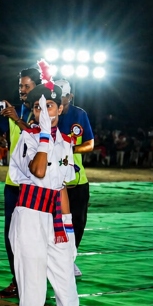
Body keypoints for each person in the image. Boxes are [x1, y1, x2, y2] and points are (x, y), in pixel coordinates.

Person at [7, 69, 107, 306]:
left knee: (68, 294)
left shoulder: (65, 144)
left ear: (60, 108)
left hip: (54, 221)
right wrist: (46, 136)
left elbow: (62, 189)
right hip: (29, 219)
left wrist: (68, 234)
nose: (44, 112)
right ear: (33, 111)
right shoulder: (29, 139)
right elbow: (38, 171)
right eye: (38, 107)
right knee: (34, 295)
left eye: (50, 106)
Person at [0, 67, 39, 299]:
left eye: (27, 86)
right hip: (13, 183)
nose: (23, 91)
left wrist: (17, 118)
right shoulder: (18, 111)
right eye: (20, 87)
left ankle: (33, 282)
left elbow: (38, 135)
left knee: (33, 235)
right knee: (11, 235)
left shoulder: (43, 111)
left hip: (36, 184)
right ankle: (16, 281)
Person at [53, 79, 94, 277]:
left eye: (63, 97)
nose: (60, 100)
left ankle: (70, 260)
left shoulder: (80, 114)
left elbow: (90, 144)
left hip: (77, 180)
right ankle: (52, 261)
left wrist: (70, 149)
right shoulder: (46, 112)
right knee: (52, 221)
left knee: (77, 221)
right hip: (52, 180)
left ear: (70, 96)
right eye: (56, 96)